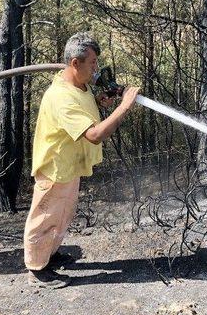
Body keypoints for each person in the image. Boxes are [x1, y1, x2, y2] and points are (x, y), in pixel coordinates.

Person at [24, 32, 139, 288]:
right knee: (45, 217)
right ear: (75, 63)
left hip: (69, 165)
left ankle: (49, 256)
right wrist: (124, 106)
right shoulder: (60, 97)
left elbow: (82, 108)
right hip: (55, 168)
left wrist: (100, 102)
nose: (96, 68)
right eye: (93, 62)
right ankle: (36, 269)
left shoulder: (79, 86)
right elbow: (95, 135)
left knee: (62, 215)